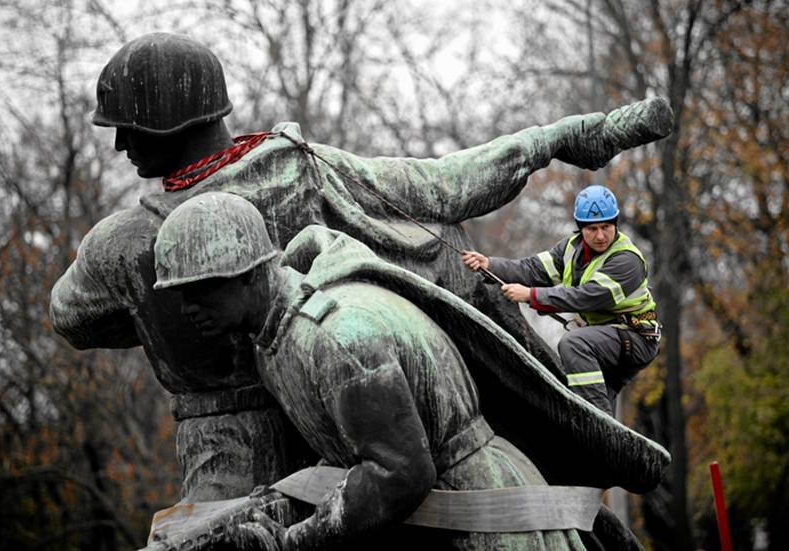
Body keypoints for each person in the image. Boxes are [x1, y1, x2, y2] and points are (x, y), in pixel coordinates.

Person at [50, 32, 673, 502]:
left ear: (166, 122)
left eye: (128, 127)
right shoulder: (308, 173)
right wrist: (556, 138)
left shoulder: (122, 245)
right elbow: (444, 187)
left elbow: (74, 318)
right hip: (349, 440)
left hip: (234, 466)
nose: (120, 145)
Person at [149, 191, 668, 550]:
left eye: (200, 289)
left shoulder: (336, 339)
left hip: (482, 516)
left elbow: (401, 474)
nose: (187, 308)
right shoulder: (274, 338)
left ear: (246, 275)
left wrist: (293, 541)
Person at [462, 184, 661, 416]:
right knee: (594, 391)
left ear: (615, 224)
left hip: (635, 338)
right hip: (604, 338)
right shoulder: (569, 249)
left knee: (574, 344)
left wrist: (530, 295)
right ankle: (605, 443)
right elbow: (532, 270)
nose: (600, 235)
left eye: (606, 227)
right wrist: (490, 264)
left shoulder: (627, 261)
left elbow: (586, 297)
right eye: (592, 229)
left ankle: (599, 428)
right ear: (580, 229)